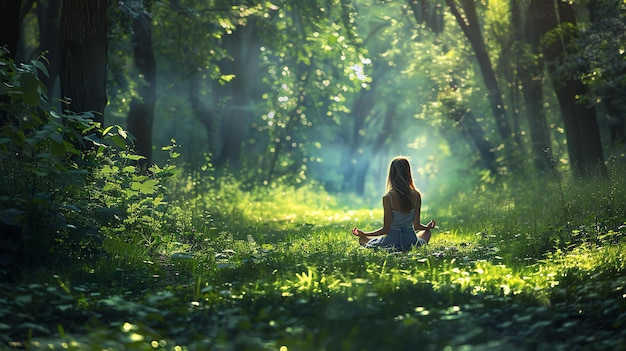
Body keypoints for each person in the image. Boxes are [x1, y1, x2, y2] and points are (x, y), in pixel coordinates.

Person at [352, 156, 435, 251]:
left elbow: (386, 229)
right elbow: (416, 226)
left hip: (392, 241)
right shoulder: (416, 195)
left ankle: (370, 239)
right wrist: (426, 227)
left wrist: (365, 234)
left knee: (363, 239)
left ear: (391, 174)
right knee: (426, 232)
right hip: (410, 240)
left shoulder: (388, 197)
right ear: (408, 173)